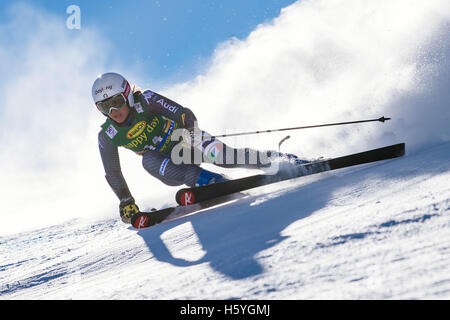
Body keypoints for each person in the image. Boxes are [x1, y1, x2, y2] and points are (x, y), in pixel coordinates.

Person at [92, 72, 305, 224]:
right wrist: (126, 201)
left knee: (226, 157)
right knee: (147, 161)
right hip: (166, 163)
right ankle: (211, 182)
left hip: (185, 141)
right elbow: (113, 172)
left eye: (117, 102)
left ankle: (281, 161)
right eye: (104, 106)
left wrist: (194, 135)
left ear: (127, 95)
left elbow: (184, 114)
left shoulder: (146, 100)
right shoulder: (107, 135)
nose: (113, 110)